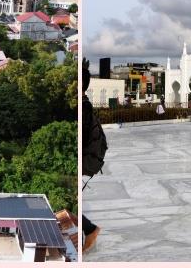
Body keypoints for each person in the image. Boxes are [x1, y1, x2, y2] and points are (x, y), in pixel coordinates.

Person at [82, 65, 107, 254]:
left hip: (85, 161)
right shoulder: (84, 104)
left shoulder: (83, 107)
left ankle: (90, 229)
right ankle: (89, 229)